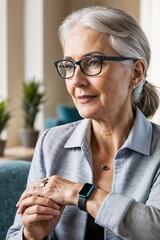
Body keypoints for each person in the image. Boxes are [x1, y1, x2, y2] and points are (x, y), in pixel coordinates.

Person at [6, 6, 160, 240]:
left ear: (136, 73)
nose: (76, 80)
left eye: (92, 63)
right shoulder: (50, 143)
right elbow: (15, 234)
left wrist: (78, 192)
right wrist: (31, 235)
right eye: (69, 66)